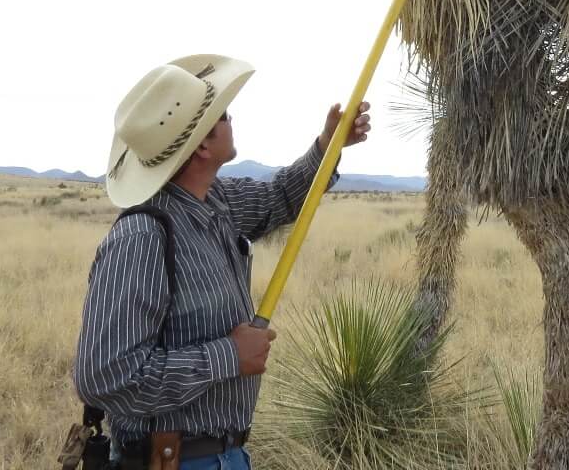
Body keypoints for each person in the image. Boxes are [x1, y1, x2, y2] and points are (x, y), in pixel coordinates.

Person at [74, 53, 372, 470]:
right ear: (201, 146)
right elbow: (103, 375)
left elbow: (280, 197)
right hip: (172, 461)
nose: (232, 120)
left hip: (226, 457)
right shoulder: (141, 239)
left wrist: (328, 145)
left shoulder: (218, 201)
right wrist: (228, 356)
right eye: (224, 115)